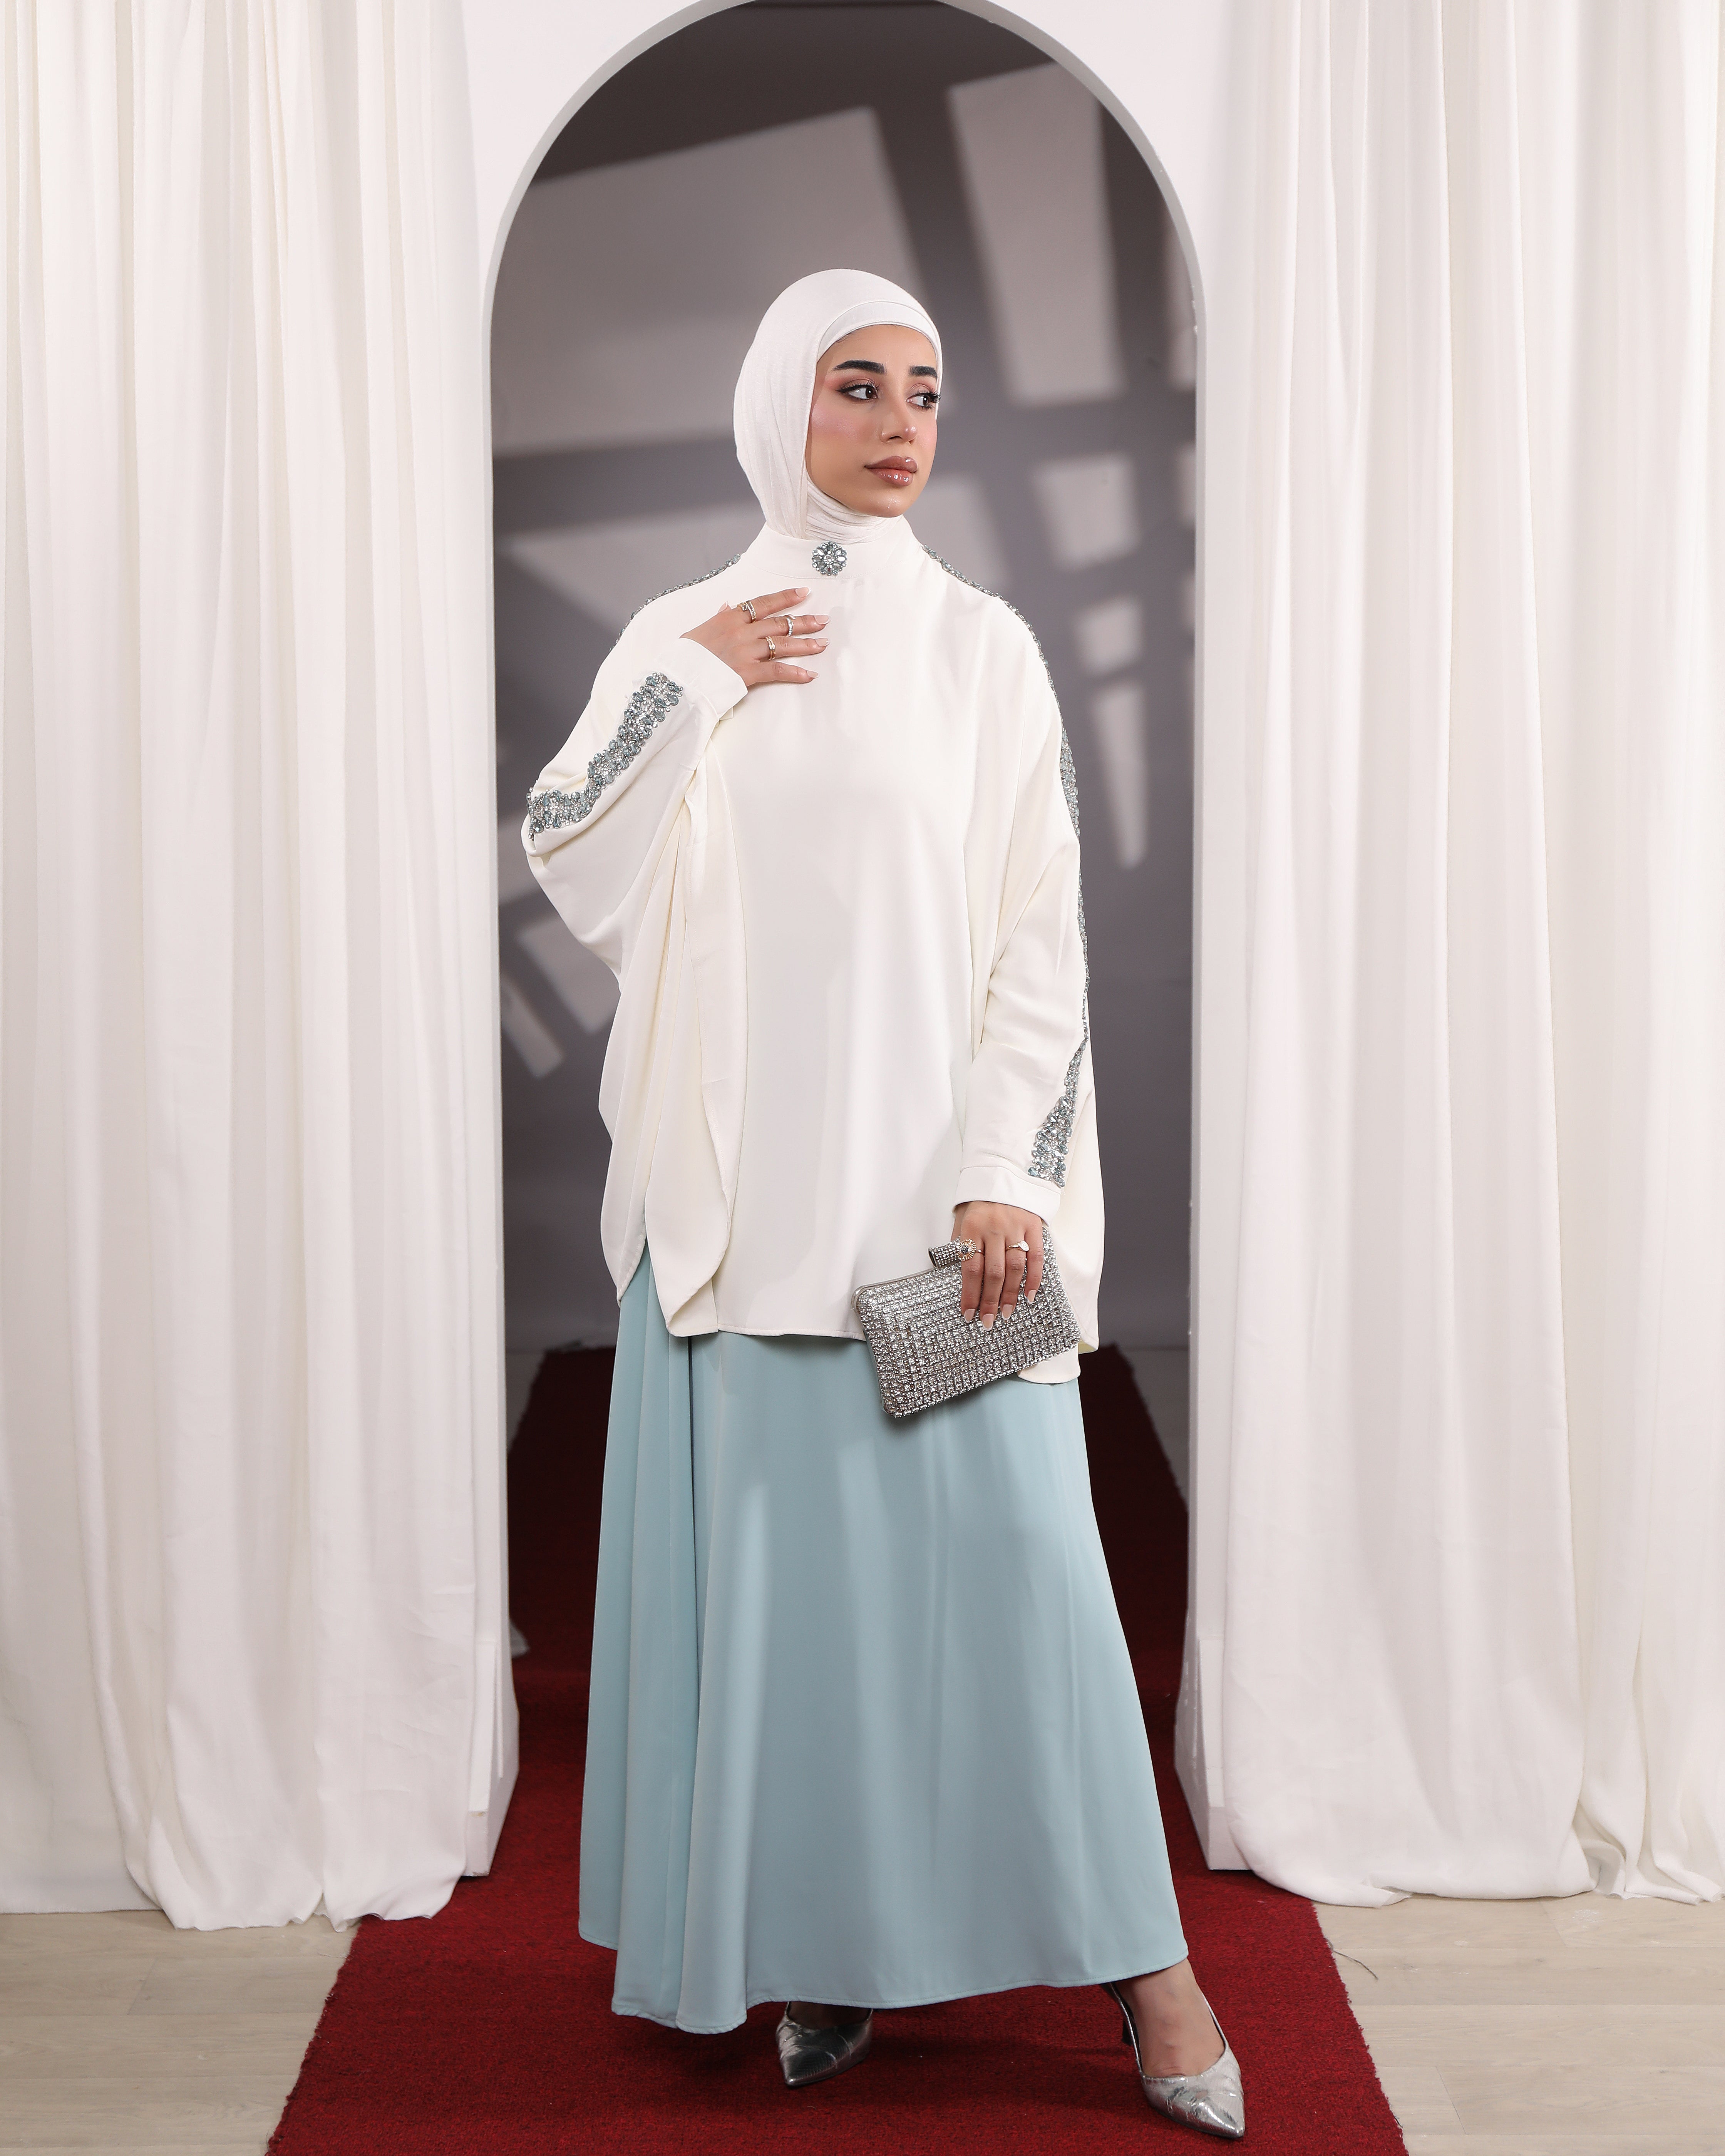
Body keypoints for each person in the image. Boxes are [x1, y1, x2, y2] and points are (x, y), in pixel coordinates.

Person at [523, 270, 1245, 2140]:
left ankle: (1150, 1972)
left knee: (1029, 1591)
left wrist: (1008, 1172)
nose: (898, 421)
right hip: (740, 1225)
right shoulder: (692, 628)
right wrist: (698, 679)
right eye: (856, 385)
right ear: (783, 401)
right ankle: (828, 1951)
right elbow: (569, 849)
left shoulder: (983, 649)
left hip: (943, 1230)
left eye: (923, 388)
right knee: (798, 1633)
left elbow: (1037, 937)